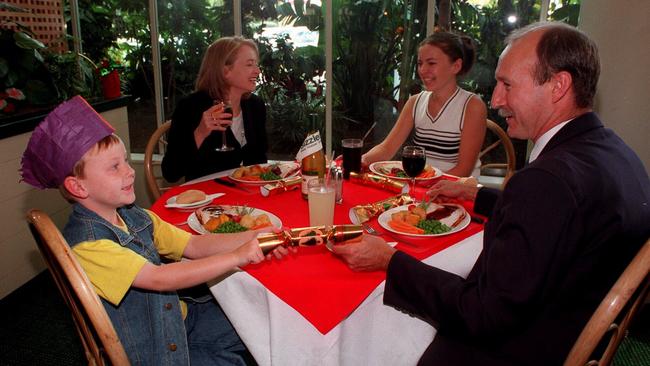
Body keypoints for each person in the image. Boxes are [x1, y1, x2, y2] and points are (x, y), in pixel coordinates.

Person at [332, 22, 650, 366]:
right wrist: (477, 196)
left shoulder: (546, 181)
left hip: (524, 348)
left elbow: (481, 312)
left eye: (507, 85)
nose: (496, 100)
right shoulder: (614, 150)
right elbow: (556, 218)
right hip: (575, 318)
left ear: (559, 86)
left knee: (389, 332)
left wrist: (390, 261)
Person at [20, 96, 288, 365]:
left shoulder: (133, 216)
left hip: (181, 320)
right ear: (78, 187)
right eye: (114, 167)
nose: (129, 172)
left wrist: (255, 236)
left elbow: (192, 246)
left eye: (125, 161)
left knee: (261, 322)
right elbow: (160, 278)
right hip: (156, 350)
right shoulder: (89, 246)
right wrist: (238, 256)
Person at [362, 31, 487, 177]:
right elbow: (387, 148)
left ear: (456, 66)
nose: (422, 70)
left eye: (431, 63)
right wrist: (362, 159)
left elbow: (463, 170)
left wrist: (424, 186)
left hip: (458, 190)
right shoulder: (415, 102)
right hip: (424, 186)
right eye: (420, 63)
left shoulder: (472, 106)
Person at [162, 36, 267, 182]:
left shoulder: (255, 106)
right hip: (206, 199)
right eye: (250, 65)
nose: (257, 71)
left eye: (257, 64)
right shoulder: (191, 107)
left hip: (247, 198)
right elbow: (171, 173)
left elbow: (260, 161)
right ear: (225, 71)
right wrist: (200, 132)